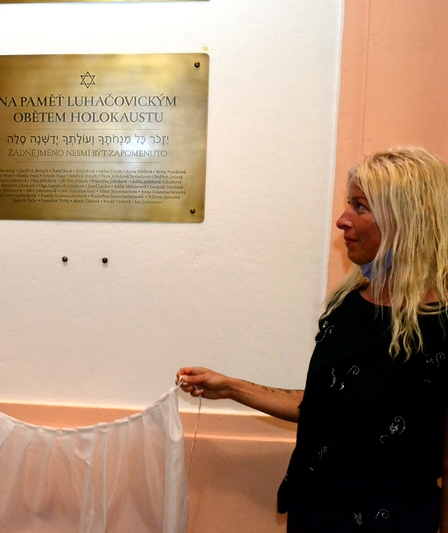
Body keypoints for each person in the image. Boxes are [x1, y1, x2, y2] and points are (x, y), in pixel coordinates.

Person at [177, 147, 448, 533]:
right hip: (317, 511)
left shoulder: (439, 327)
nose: (342, 220)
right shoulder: (347, 306)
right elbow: (325, 406)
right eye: (348, 205)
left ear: (406, 219)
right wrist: (232, 387)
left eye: (360, 206)